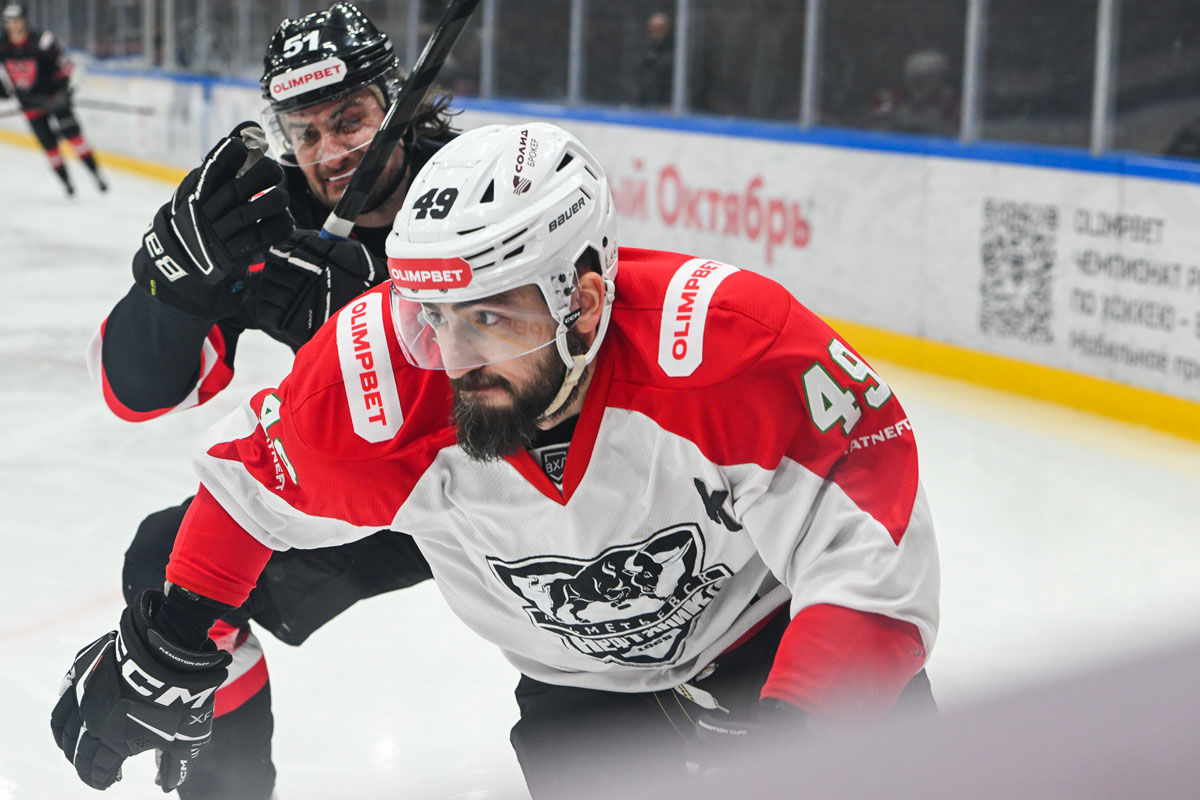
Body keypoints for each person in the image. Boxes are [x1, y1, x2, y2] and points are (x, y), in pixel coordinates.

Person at [51, 121, 940, 798]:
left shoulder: (729, 348)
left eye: (490, 315)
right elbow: (249, 494)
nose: (455, 357)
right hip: (581, 699)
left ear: (583, 302)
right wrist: (173, 641)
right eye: (435, 315)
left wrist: (800, 732)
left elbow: (869, 562)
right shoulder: (389, 372)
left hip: (772, 642)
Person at [81, 3, 455, 798]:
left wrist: (375, 322)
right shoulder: (278, 217)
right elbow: (133, 394)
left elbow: (539, 381)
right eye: (305, 131)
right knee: (171, 567)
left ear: (397, 102)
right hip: (378, 497)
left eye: (349, 120)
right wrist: (171, 289)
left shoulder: (473, 188)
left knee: (571, 703)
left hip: (499, 482)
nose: (329, 152)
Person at [0, 2, 107, 195]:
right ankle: (67, 183)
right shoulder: (3, 45)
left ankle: (96, 174)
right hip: (30, 103)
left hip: (54, 98)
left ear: (24, 20)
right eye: (9, 21)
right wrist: (3, 90)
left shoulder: (42, 41)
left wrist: (64, 92)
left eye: (17, 20)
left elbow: (65, 65)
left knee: (74, 137)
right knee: (49, 146)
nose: (13, 25)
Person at [869, 49, 960, 137]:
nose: (921, 83)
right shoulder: (889, 98)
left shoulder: (950, 102)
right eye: (916, 77)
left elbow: (956, 136)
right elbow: (874, 134)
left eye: (928, 77)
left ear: (940, 79)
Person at [635, 11, 673, 108]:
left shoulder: (675, 53)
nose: (656, 32)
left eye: (660, 29)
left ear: (667, 30)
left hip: (665, 104)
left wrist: (669, 103)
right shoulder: (645, 50)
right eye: (653, 28)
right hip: (645, 102)